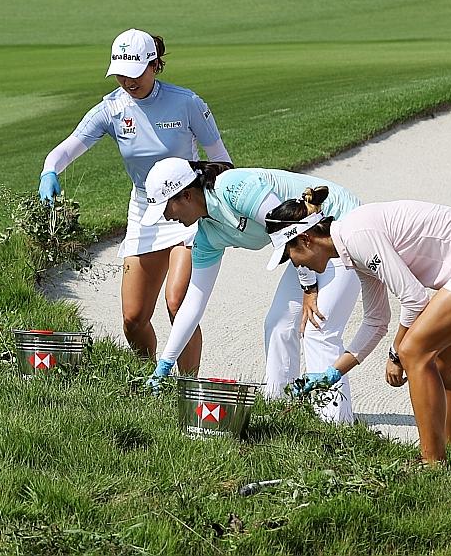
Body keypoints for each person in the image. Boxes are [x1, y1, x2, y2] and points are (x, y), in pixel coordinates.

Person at [273, 199, 451, 464]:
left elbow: (414, 299)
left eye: (289, 255)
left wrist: (396, 354)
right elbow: (376, 321)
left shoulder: (357, 237)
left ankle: (432, 463)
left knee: (413, 352)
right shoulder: (352, 247)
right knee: (442, 364)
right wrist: (332, 373)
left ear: (305, 239)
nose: (294, 264)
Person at [39, 30, 229, 375]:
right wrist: (49, 171)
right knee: (133, 318)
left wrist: (217, 206)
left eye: (136, 71)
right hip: (145, 211)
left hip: (188, 209)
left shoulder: (187, 102)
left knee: (177, 303)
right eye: (121, 73)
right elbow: (68, 147)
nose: (128, 80)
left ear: (155, 65)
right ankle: (148, 378)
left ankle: (187, 388)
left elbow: (221, 160)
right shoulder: (111, 108)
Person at [141, 158, 364, 422]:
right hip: (304, 247)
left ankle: (335, 423)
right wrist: (165, 365)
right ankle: (280, 410)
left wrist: (309, 288)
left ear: (186, 195)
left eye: (167, 208)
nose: (168, 217)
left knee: (318, 329)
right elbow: (193, 303)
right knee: (278, 324)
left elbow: (290, 229)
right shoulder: (207, 234)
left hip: (339, 230)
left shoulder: (233, 188)